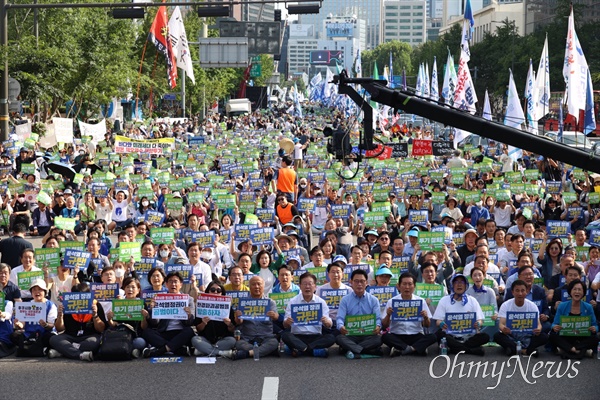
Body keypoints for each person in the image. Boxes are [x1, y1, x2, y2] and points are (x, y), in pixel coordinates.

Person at [382, 272, 437, 356]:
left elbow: (427, 325)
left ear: (414, 286)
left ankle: (402, 349)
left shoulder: (421, 301)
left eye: (410, 284)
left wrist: (425, 317)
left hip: (415, 334)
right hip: (397, 334)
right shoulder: (391, 302)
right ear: (399, 286)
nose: (407, 287)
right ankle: (416, 348)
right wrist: (388, 315)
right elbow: (385, 326)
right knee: (384, 337)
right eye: (404, 284)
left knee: (432, 337)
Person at [433, 274, 489, 356]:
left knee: (485, 336)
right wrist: (441, 324)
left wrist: (478, 323)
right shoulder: (444, 300)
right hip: (451, 336)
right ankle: (471, 351)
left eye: (462, 282)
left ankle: (455, 349)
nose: (459, 285)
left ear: (466, 285)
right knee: (439, 334)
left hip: (468, 337)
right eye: (456, 282)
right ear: (452, 285)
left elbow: (480, 320)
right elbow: (438, 321)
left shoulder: (472, 300)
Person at [142, 271, 195, 357]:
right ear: (166, 284)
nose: (173, 284)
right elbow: (155, 323)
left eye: (175, 281)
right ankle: (177, 349)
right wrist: (153, 310)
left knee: (189, 331)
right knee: (147, 332)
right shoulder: (160, 298)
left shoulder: (189, 300)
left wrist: (189, 315)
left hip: (180, 332)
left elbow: (190, 322)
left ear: (181, 284)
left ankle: (161, 350)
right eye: (170, 281)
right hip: (164, 332)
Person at [48, 282, 106, 361]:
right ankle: (80, 354)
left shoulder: (96, 305)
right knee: (54, 339)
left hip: (89, 336)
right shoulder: (67, 305)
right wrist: (60, 315)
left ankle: (63, 351)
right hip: (70, 336)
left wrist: (95, 315)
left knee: (94, 343)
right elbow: (59, 329)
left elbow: (101, 329)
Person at [281, 272, 335, 357]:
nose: (307, 287)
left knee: (331, 338)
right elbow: (285, 325)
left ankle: (302, 350)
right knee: (285, 335)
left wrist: (326, 322)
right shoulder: (293, 301)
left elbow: (329, 324)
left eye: (310, 284)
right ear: (300, 286)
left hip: (316, 337)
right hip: (298, 336)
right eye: (304, 284)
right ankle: (312, 351)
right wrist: (287, 322)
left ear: (315, 286)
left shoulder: (321, 302)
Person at [336, 269, 383, 359]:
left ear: (366, 283)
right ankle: (367, 350)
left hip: (368, 335)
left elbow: (377, 318)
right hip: (351, 334)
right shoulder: (345, 300)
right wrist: (341, 326)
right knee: (339, 338)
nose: (359, 284)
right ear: (351, 282)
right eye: (356, 281)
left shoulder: (373, 300)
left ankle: (351, 349)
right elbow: (340, 318)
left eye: (362, 281)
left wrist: (378, 326)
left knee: (379, 339)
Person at [229, 276, 279, 360]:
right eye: (253, 284)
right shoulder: (243, 302)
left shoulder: (270, 302)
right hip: (248, 337)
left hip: (266, 337)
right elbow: (238, 322)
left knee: (274, 342)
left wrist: (274, 315)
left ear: (263, 286)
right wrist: (238, 317)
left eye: (259, 284)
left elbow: (276, 317)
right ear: (249, 287)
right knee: (239, 344)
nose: (256, 287)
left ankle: (248, 353)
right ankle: (264, 351)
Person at [494, 280, 549, 356]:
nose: (520, 293)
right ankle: (526, 351)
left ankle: (514, 349)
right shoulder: (506, 305)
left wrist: (538, 329)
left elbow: (538, 324)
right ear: (512, 292)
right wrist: (504, 329)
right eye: (517, 291)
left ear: (526, 292)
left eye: (522, 291)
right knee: (497, 336)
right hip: (511, 335)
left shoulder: (532, 306)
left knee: (544, 337)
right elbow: (501, 324)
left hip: (528, 336)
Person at [550, 279, 599, 359]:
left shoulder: (588, 307)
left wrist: (594, 329)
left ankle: (568, 349)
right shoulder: (562, 306)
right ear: (570, 291)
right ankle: (579, 351)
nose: (577, 292)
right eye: (575, 289)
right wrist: (554, 327)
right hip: (567, 335)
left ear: (583, 293)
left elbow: (595, 326)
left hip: (582, 336)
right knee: (552, 336)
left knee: (595, 338)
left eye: (580, 290)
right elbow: (554, 323)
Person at [11, 279, 57, 357]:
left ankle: (41, 348)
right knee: (14, 335)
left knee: (51, 338)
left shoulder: (50, 305)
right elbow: (22, 324)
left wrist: (45, 325)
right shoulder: (27, 305)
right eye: (34, 290)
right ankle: (39, 349)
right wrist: (18, 324)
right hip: (30, 334)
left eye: (40, 290)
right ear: (31, 293)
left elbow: (52, 325)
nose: (37, 292)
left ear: (45, 292)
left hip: (44, 333)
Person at [105, 277, 149, 357]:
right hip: (121, 335)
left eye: (133, 287)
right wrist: (109, 319)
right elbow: (113, 324)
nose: (130, 289)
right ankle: (130, 351)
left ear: (138, 290)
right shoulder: (119, 303)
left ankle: (125, 350)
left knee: (140, 342)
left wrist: (144, 318)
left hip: (135, 336)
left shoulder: (141, 304)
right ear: (124, 289)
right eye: (127, 287)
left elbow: (144, 327)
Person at [191, 281, 236, 357]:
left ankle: (204, 350)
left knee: (232, 341)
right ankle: (220, 353)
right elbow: (198, 329)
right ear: (208, 291)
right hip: (205, 339)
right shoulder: (201, 305)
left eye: (218, 290)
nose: (215, 292)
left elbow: (232, 329)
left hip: (222, 340)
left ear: (222, 293)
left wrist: (229, 324)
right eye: (212, 290)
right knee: (195, 339)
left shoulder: (228, 307)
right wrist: (203, 323)